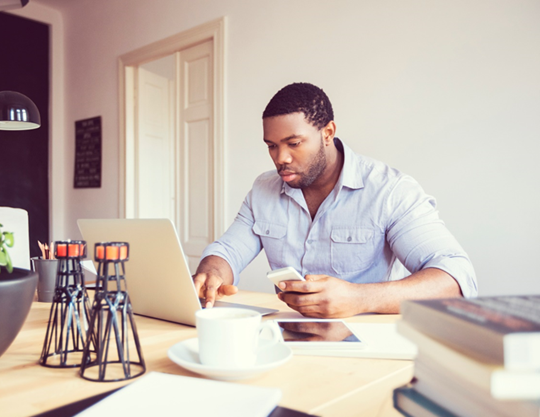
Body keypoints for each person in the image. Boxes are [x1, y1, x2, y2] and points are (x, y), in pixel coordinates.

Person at [192, 82, 477, 318]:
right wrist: (211, 273)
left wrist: (360, 298)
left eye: (293, 143)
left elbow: (457, 278)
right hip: (287, 337)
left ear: (327, 133)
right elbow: (228, 251)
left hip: (367, 345)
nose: (281, 158)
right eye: (271, 146)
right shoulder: (263, 190)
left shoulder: (389, 191)